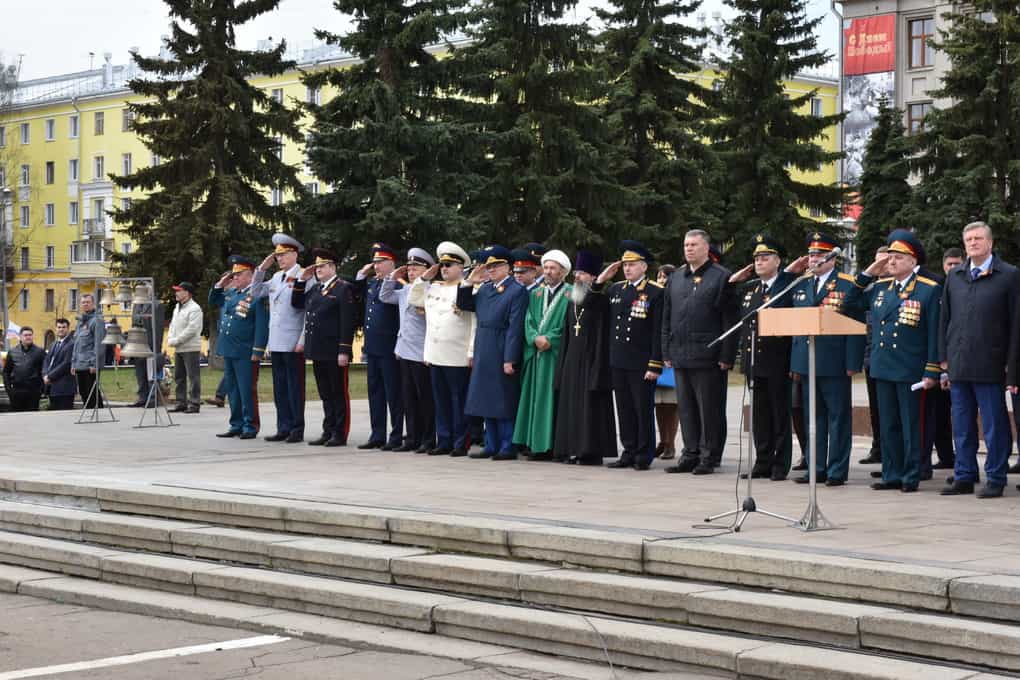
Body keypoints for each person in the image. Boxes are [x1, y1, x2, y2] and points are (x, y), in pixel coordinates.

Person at [856, 231, 942, 493]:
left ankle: (911, 474)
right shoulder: (881, 288)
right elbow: (850, 301)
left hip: (910, 369)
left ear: (912, 260)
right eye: (889, 257)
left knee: (910, 425)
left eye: (898, 257)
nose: (891, 262)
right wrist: (869, 271)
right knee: (888, 424)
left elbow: (933, 333)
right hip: (883, 367)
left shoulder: (928, 289)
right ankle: (891, 473)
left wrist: (932, 369)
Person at [940, 222, 1019, 498]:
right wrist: (943, 358)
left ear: (990, 243)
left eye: (978, 238)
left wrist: (1013, 365)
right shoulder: (955, 276)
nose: (973, 243)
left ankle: (996, 477)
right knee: (961, 424)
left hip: (991, 362)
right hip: (959, 363)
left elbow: (1015, 324)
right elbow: (945, 320)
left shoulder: (1008, 275)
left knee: (994, 425)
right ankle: (964, 475)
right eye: (969, 239)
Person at [785, 232, 865, 487]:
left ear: (832, 258)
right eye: (810, 255)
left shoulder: (846, 284)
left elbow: (856, 323)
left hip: (835, 361)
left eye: (819, 255)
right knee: (812, 418)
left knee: (838, 418)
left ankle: (837, 470)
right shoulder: (800, 284)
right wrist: (794, 363)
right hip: (806, 361)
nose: (813, 259)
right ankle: (815, 467)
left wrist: (853, 362)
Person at [662, 229, 737, 475]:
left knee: (709, 408)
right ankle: (690, 453)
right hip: (681, 353)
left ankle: (709, 455)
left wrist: (727, 355)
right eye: (685, 244)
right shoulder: (676, 277)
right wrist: (666, 349)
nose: (689, 249)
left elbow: (729, 319)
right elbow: (667, 317)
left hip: (708, 354)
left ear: (706, 248)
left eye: (694, 244)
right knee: (686, 408)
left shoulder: (721, 277)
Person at [728, 233, 796, 481]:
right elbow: (724, 302)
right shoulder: (750, 289)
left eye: (765, 258)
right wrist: (734, 280)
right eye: (756, 258)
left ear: (777, 261)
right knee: (759, 416)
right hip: (754, 362)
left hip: (778, 361)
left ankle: (780, 463)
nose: (759, 262)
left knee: (779, 414)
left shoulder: (787, 286)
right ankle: (763, 460)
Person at [597, 240, 665, 471]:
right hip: (619, 359)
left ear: (644, 267)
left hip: (641, 361)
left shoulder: (655, 292)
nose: (627, 268)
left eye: (632, 264)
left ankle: (643, 453)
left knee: (642, 408)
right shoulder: (616, 289)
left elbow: (658, 331)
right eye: (625, 264)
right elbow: (590, 305)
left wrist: (655, 364)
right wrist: (600, 281)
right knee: (624, 408)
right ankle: (628, 450)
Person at [458, 245, 529, 460]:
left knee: (503, 398)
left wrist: (509, 358)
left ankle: (507, 445)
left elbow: (515, 327)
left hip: (501, 345)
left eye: (496, 266)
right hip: (484, 344)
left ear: (508, 267)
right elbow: (464, 303)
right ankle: (491, 443)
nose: (491, 270)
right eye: (489, 267)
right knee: (486, 398)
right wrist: (469, 281)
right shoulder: (486, 289)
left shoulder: (516, 291)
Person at [409, 242, 476, 457]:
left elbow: (474, 323)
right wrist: (424, 278)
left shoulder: (469, 288)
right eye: (442, 265)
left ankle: (460, 441)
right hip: (436, 354)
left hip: (457, 355)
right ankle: (444, 439)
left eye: (449, 264)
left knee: (458, 401)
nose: (444, 268)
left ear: (461, 267)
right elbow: (414, 299)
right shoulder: (434, 288)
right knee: (441, 401)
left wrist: (471, 352)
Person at [554, 250, 617, 465]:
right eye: (577, 273)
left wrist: (599, 283)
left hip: (593, 360)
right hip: (572, 360)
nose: (577, 277)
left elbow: (593, 303)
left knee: (590, 409)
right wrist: (561, 368)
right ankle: (572, 449)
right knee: (572, 407)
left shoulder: (601, 299)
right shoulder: (573, 300)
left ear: (592, 276)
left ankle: (590, 451)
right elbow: (566, 335)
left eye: (582, 273)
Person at [292, 249, 355, 447]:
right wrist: (301, 281)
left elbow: (347, 321)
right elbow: (297, 302)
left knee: (338, 392)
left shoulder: (343, 288)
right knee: (325, 393)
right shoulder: (317, 289)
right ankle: (328, 430)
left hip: (334, 350)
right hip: (318, 349)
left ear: (332, 267)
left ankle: (340, 432)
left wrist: (344, 350)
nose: (318, 269)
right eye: (317, 266)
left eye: (322, 266)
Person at [513, 249, 572, 460]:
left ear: (563, 271)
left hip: (554, 355)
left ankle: (552, 445)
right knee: (534, 399)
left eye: (552, 268)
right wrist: (534, 337)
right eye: (545, 267)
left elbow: (570, 324)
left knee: (552, 400)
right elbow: (528, 319)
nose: (547, 272)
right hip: (536, 354)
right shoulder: (535, 293)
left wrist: (550, 339)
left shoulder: (571, 293)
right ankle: (534, 443)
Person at [253, 234, 308, 443]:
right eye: (277, 256)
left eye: (283, 255)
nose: (280, 259)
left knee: (295, 388)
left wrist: (302, 339)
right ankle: (283, 427)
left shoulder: (304, 275)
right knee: (280, 387)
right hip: (276, 341)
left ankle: (296, 428)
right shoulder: (276, 277)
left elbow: (306, 311)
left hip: (293, 341)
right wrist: (262, 269)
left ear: (294, 254)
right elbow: (256, 291)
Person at [381, 248, 437, 453]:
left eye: (416, 269)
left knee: (425, 398)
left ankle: (428, 438)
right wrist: (391, 278)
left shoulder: (431, 290)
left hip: (422, 351)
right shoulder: (405, 290)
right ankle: (412, 437)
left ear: (427, 270)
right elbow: (385, 296)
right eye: (410, 269)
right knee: (408, 397)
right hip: (404, 350)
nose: (411, 272)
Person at [210, 256, 269, 440]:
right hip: (229, 349)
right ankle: (236, 424)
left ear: (250, 276)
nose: (234, 278)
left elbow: (261, 325)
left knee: (246, 390)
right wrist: (220, 284)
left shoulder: (256, 296)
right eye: (233, 275)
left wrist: (258, 351)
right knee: (233, 391)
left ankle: (250, 425)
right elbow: (214, 300)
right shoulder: (232, 294)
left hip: (245, 351)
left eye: (238, 275)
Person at [353, 243, 404, 450]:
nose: (376, 266)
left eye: (380, 262)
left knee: (393, 393)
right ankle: (377, 434)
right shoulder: (373, 283)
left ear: (391, 263)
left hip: (389, 346)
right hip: (373, 346)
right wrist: (360, 276)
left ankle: (396, 435)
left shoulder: (398, 284)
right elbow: (356, 297)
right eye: (374, 262)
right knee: (375, 392)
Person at [927, 247, 962, 474]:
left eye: (957, 264)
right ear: (943, 265)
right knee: (940, 415)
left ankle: (963, 463)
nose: (952, 268)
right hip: (943, 362)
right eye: (949, 264)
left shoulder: (968, 286)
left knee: (961, 417)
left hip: (965, 363)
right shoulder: (938, 289)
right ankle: (946, 456)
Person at [859, 246, 889, 467]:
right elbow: (850, 300)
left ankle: (891, 455)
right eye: (877, 262)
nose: (881, 267)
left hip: (894, 360)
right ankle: (878, 449)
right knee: (876, 410)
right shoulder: (871, 290)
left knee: (892, 413)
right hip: (872, 358)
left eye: (885, 262)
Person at [653, 264, 679, 460]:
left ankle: (671, 443)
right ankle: (662, 440)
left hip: (671, 358)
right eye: (659, 276)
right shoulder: (655, 296)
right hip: (655, 359)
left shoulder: (676, 297)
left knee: (672, 405)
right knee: (659, 405)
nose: (662, 280)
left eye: (666, 276)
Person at [166, 282, 203, 413]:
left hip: (190, 348)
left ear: (187, 293)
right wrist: (170, 338)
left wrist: (177, 340)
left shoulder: (195, 308)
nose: (176, 293)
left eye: (179, 291)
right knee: (179, 376)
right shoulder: (177, 307)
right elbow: (172, 325)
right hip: (179, 347)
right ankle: (181, 402)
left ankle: (194, 403)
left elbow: (192, 329)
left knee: (193, 377)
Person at [128, 294, 166, 408]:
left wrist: (156, 347)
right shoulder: (136, 305)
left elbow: (158, 328)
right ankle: (142, 397)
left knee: (151, 371)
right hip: (138, 342)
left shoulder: (157, 305)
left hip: (151, 343)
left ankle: (153, 397)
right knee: (140, 372)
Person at [71, 294, 105, 409]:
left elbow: (99, 344)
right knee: (84, 393)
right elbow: (76, 345)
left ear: (93, 304)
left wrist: (94, 363)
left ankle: (99, 414)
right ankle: (89, 414)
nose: (85, 304)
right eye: (83, 302)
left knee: (92, 392)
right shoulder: (80, 323)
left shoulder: (97, 321)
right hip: (80, 365)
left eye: (88, 302)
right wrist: (73, 363)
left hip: (90, 365)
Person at [3, 327, 45, 411]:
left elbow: (44, 371)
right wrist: (9, 390)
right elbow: (6, 372)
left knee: (32, 419)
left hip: (33, 392)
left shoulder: (39, 352)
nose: (28, 337)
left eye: (30, 335)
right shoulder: (12, 352)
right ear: (20, 337)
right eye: (25, 335)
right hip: (17, 393)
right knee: (17, 420)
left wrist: (41, 390)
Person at [43, 318, 76, 410]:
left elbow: (66, 364)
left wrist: (49, 376)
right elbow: (47, 361)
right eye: (59, 327)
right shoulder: (53, 344)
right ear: (56, 328)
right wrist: (45, 374)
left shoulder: (72, 344)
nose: (61, 329)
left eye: (63, 327)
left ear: (68, 329)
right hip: (52, 387)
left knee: (64, 416)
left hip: (65, 388)